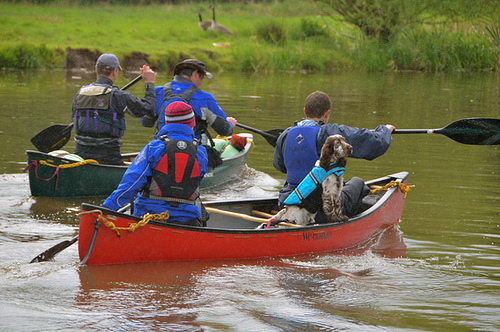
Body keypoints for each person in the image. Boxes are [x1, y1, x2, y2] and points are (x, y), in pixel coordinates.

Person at [273, 90, 396, 220]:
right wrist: (385, 131)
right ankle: (349, 221)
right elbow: (374, 144)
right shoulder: (329, 135)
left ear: (304, 111)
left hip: (286, 202)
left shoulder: (286, 135)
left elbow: (280, 166)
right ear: (327, 114)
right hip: (320, 209)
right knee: (358, 183)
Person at [103, 101, 209, 226]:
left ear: (167, 123)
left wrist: (106, 209)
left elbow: (132, 182)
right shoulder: (201, 152)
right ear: (193, 123)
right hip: (187, 220)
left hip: (148, 216)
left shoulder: (154, 147)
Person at [71, 53, 156, 165]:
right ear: (115, 71)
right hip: (109, 158)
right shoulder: (118, 96)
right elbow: (149, 109)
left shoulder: (80, 93)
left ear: (96, 69)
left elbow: (74, 117)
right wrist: (149, 83)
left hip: (80, 156)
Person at [142, 58, 237, 149]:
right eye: (202, 76)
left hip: (162, 149)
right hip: (194, 152)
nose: (202, 81)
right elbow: (225, 130)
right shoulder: (204, 98)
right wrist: (230, 123)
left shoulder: (156, 92)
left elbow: (146, 122)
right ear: (195, 73)